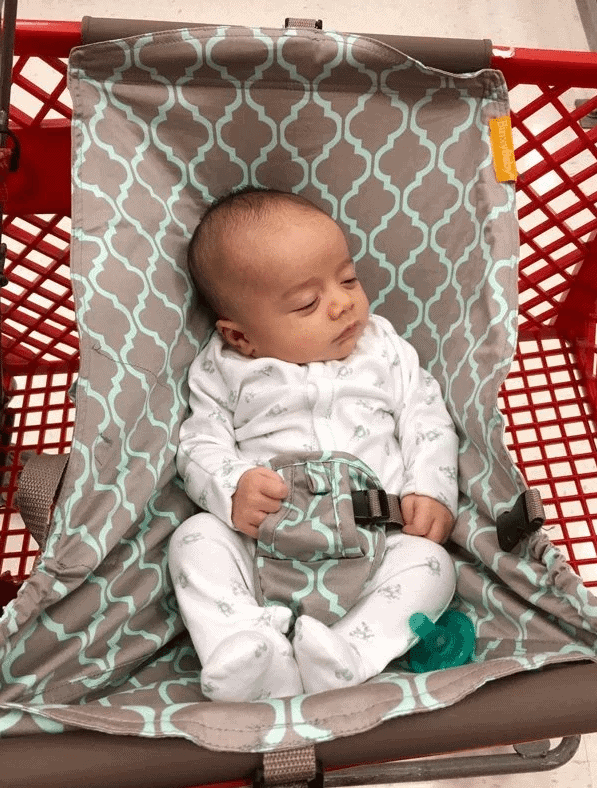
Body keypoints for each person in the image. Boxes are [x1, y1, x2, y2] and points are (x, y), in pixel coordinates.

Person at [168, 187, 459, 702]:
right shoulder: (224, 369)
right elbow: (198, 442)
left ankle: (347, 655)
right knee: (193, 541)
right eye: (307, 302)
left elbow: (425, 414)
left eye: (347, 278)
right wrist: (232, 487)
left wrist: (430, 490)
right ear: (242, 337)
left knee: (434, 567)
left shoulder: (383, 348)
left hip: (378, 538)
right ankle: (246, 646)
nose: (343, 302)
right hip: (264, 546)